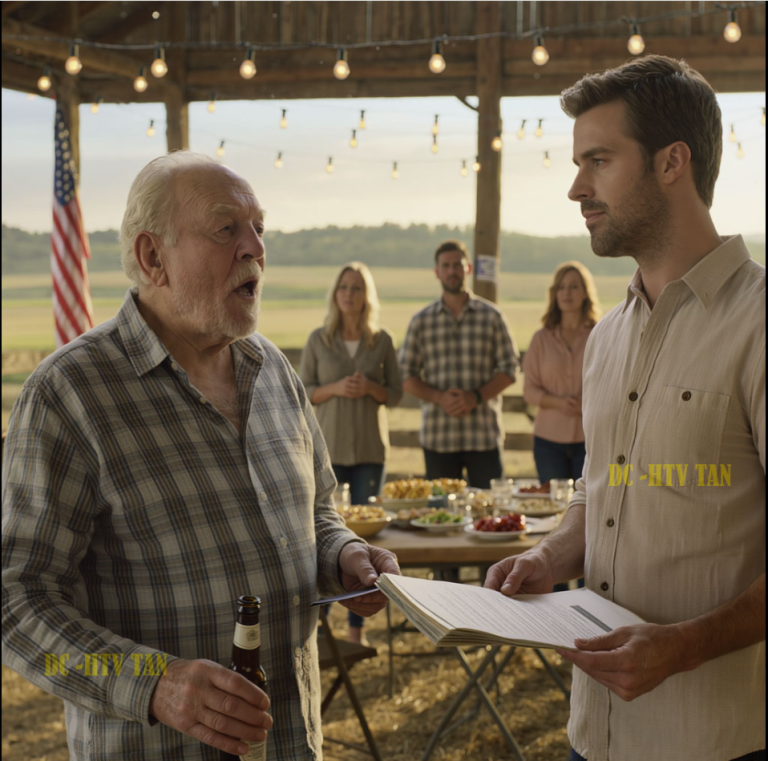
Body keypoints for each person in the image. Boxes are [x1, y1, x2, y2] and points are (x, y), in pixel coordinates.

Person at [1, 151, 400, 761]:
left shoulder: (273, 372)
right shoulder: (70, 394)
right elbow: (16, 603)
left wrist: (344, 555)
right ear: (152, 257)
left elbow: (317, 511)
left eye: (259, 229)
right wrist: (151, 685)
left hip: (292, 743)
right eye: (226, 230)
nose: (255, 249)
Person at [485, 55, 765, 761]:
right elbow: (604, 489)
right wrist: (550, 554)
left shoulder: (759, 324)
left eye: (599, 161)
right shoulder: (607, 335)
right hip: (592, 733)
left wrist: (685, 645)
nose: (577, 187)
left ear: (674, 162)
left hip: (716, 739)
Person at [300, 262, 402, 643]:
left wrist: (371, 389)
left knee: (364, 541)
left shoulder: (382, 340)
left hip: (370, 451)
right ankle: (321, 630)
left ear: (366, 295)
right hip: (327, 451)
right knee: (324, 537)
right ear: (335, 294)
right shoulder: (318, 340)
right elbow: (305, 390)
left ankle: (357, 630)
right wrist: (337, 387)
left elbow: (395, 393)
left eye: (357, 287)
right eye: (343, 287)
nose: (349, 294)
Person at [399, 240, 520, 488]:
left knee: (489, 514)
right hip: (439, 436)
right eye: (446, 266)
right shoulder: (421, 322)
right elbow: (405, 376)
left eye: (457, 265)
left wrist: (474, 397)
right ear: (437, 272)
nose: (452, 271)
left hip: (483, 436)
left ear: (468, 268)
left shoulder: (492, 316)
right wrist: (440, 397)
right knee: (441, 517)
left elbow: (510, 369)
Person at [524, 261, 601, 483]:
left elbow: (611, 385)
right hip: (548, 443)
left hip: (589, 440)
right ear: (554, 294)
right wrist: (558, 402)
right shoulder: (541, 339)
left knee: (586, 509)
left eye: (574, 286)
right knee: (552, 509)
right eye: (562, 287)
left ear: (586, 293)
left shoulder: (599, 336)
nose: (567, 293)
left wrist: (585, 404)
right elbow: (529, 391)